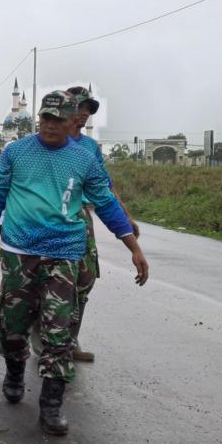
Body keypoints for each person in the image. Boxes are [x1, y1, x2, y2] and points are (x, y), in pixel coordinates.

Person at [0, 91, 148, 436]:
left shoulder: (83, 159)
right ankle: (15, 370)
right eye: (45, 118)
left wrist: (133, 247)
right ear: (39, 118)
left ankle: (51, 406)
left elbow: (105, 203)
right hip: (20, 251)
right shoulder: (16, 152)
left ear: (71, 121)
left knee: (59, 330)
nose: (50, 125)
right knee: (13, 323)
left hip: (65, 251)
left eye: (58, 119)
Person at [63, 86, 141, 362]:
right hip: (50, 216)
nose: (84, 113)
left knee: (84, 279)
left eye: (89, 109)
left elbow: (104, 186)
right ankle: (45, 334)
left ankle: (70, 340)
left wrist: (126, 216)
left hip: (82, 214)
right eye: (81, 106)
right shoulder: (50, 139)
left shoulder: (88, 147)